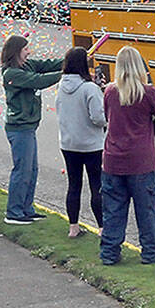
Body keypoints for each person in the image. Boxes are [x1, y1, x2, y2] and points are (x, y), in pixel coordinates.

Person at [99, 46, 155, 265]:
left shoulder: (110, 91)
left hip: (113, 159)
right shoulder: (147, 92)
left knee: (113, 211)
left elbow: (108, 115)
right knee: (146, 212)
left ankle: (109, 253)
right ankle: (150, 253)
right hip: (141, 161)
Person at [0, 34, 63, 225]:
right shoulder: (11, 73)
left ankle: (27, 208)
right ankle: (14, 212)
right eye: (26, 49)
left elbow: (48, 65)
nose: (29, 51)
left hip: (29, 127)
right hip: (19, 129)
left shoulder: (27, 65)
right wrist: (67, 72)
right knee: (22, 170)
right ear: (17, 51)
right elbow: (38, 80)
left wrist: (72, 59)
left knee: (32, 170)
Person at [55, 45, 106, 238]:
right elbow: (98, 118)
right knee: (96, 186)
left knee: (74, 185)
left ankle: (73, 227)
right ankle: (102, 227)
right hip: (91, 144)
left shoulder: (61, 86)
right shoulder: (90, 89)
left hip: (68, 144)